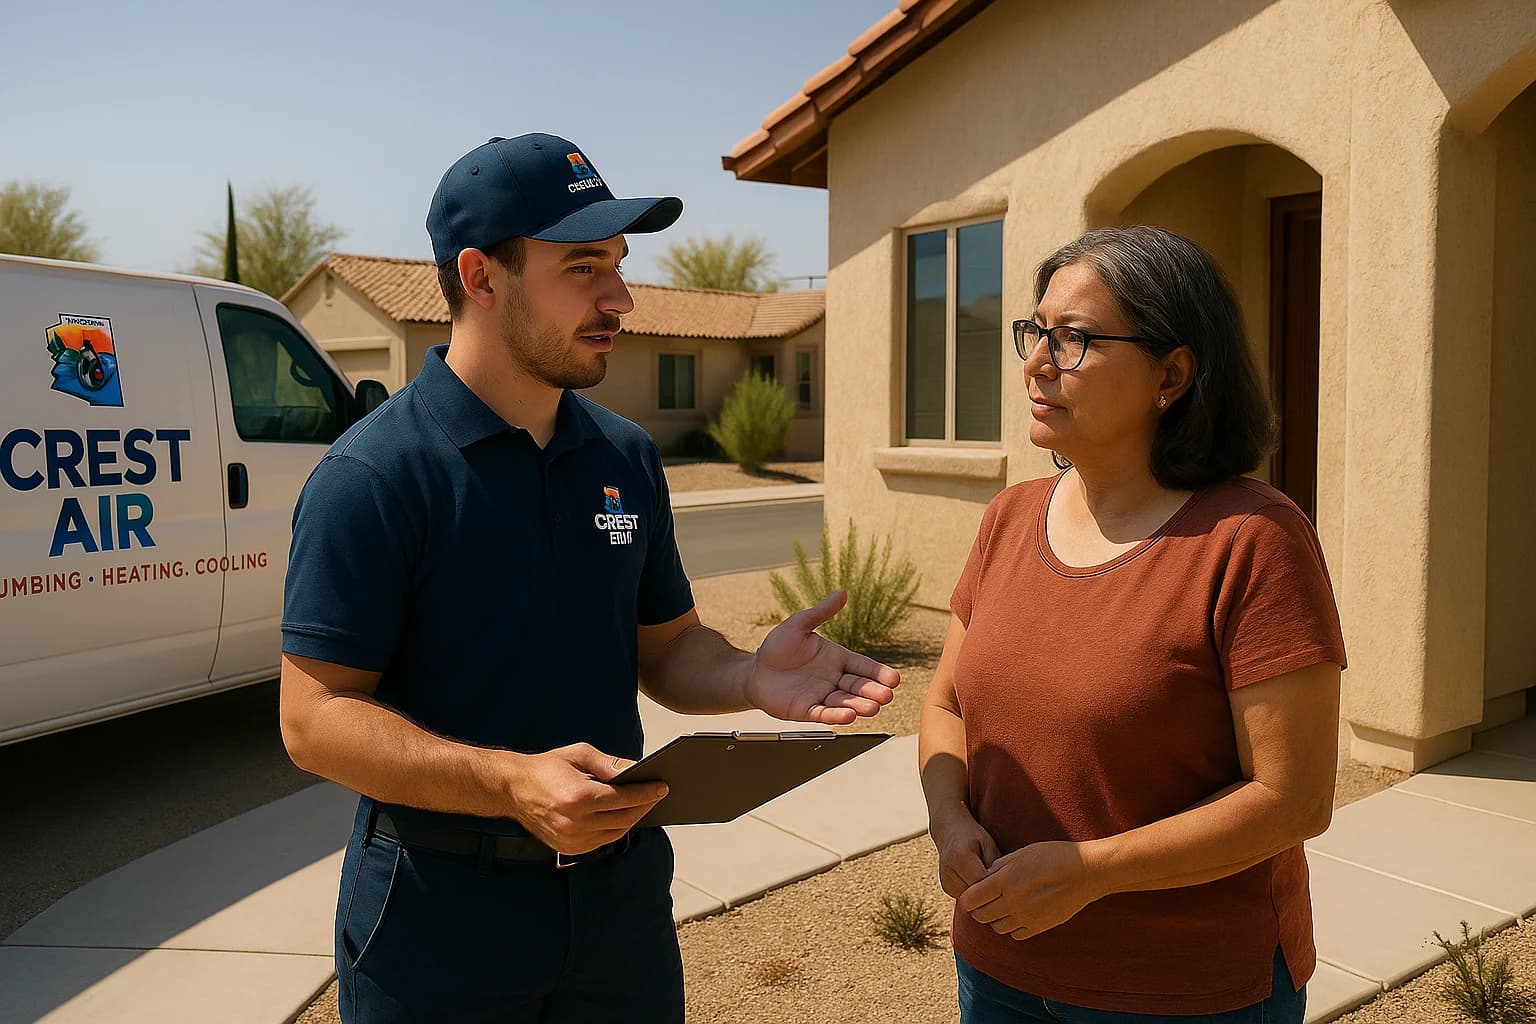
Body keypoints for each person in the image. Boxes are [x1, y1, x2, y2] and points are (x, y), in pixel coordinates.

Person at [278, 133, 901, 1024]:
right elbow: (314, 720)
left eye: (617, 263)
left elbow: (669, 648)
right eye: (582, 268)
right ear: (481, 277)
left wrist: (749, 676)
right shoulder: (373, 477)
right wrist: (507, 782)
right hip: (437, 918)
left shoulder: (624, 456)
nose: (620, 297)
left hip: (618, 905)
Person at [919, 226, 1346, 1023]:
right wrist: (949, 822)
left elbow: (1292, 799)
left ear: (1172, 374)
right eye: (1036, 331)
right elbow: (946, 704)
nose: (1037, 362)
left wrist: (1093, 871)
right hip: (998, 964)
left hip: (1184, 991)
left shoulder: (1253, 540)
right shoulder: (1009, 517)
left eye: (1074, 339)